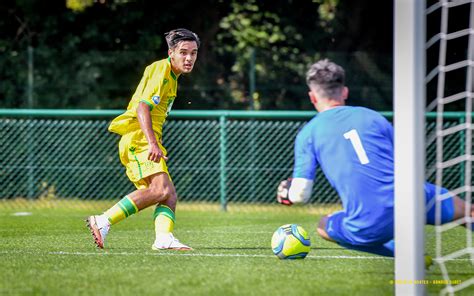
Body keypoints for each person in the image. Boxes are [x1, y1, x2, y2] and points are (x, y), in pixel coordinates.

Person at [276, 59, 473, 257]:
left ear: (312, 97)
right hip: (416, 198)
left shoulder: (308, 133)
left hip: (372, 220)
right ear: (344, 91)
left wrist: (286, 194)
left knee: (323, 226)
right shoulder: (372, 117)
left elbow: (300, 195)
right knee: (467, 212)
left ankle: (406, 255)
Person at [86, 28, 200, 250]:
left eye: (193, 53)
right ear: (171, 53)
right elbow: (142, 108)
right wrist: (152, 143)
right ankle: (102, 221)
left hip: (144, 138)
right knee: (161, 191)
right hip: (140, 138)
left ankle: (163, 238)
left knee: (169, 195)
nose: (189, 58)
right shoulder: (162, 69)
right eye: (184, 52)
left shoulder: (173, 77)